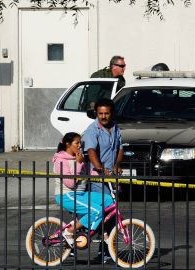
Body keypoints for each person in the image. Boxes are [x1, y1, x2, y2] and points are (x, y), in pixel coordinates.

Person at [53, 132, 113, 247]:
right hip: (67, 195)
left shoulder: (79, 157)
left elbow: (89, 173)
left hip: (80, 194)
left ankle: (99, 229)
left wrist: (104, 174)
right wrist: (79, 163)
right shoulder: (60, 160)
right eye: (77, 143)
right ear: (68, 144)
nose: (80, 145)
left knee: (108, 200)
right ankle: (69, 231)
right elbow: (70, 183)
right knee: (96, 211)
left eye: (81, 143)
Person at [82, 98, 123, 262]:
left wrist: (117, 165)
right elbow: (91, 151)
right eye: (100, 113)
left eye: (106, 113)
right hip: (98, 179)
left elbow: (120, 148)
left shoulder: (116, 127)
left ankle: (107, 249)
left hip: (112, 178)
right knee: (104, 213)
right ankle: (103, 250)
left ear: (111, 113)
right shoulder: (92, 130)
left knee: (111, 214)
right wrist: (100, 169)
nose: (103, 116)